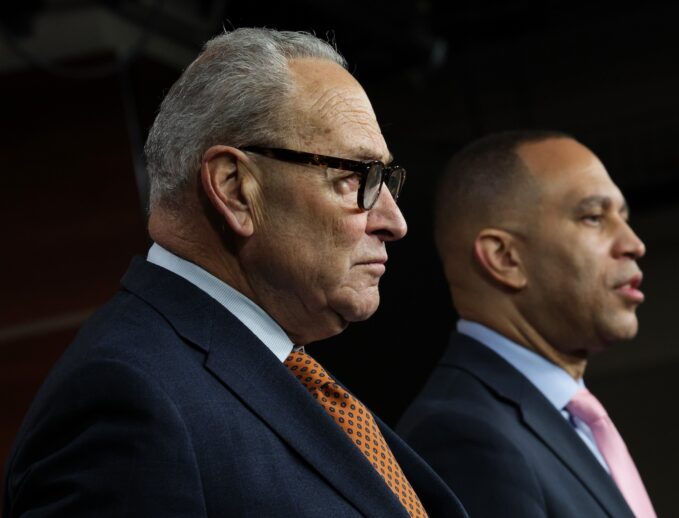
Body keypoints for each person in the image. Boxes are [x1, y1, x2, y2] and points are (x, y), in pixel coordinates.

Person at [3, 28, 467, 517]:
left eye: (387, 179)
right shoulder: (126, 396)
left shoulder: (276, 368)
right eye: (356, 176)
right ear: (234, 188)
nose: (395, 221)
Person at [396, 130, 656, 517]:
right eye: (593, 218)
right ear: (504, 258)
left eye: (624, 217)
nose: (634, 244)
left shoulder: (569, 415)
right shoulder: (462, 433)